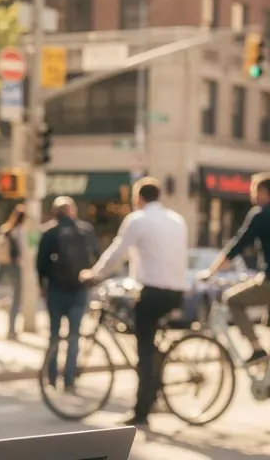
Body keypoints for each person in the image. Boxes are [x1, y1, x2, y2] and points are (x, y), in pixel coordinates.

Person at [80, 178, 188, 428]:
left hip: (153, 292)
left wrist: (94, 274)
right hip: (176, 291)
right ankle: (155, 385)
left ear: (139, 198)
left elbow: (117, 252)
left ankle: (142, 410)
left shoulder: (137, 219)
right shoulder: (176, 219)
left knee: (144, 351)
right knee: (147, 341)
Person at [197, 171, 270, 364]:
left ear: (263, 192)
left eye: (254, 191)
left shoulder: (261, 215)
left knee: (232, 299)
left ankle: (257, 349)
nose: (252, 196)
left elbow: (238, 245)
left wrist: (211, 271)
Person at [36, 196, 99, 392]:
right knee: (74, 336)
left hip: (56, 290)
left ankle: (52, 376)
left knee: (54, 335)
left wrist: (42, 286)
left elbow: (40, 265)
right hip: (79, 290)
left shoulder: (49, 233)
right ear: (72, 211)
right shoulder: (85, 231)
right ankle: (69, 378)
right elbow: (95, 257)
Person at [0, 204, 27, 340]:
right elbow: (23, 250)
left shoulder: (6, 229)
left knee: (14, 296)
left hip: (5, 267)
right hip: (15, 266)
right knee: (17, 298)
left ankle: (7, 304)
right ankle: (12, 329)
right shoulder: (18, 231)